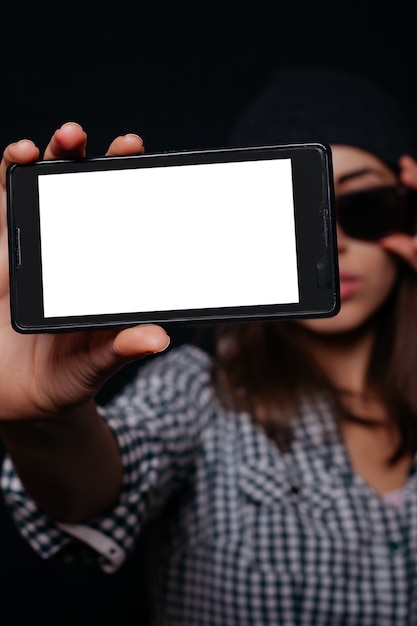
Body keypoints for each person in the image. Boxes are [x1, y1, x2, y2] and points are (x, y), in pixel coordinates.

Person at [1, 66, 417, 625]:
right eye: (297, 212)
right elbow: (98, 489)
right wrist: (44, 425)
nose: (334, 240)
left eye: (366, 208)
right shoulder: (197, 391)